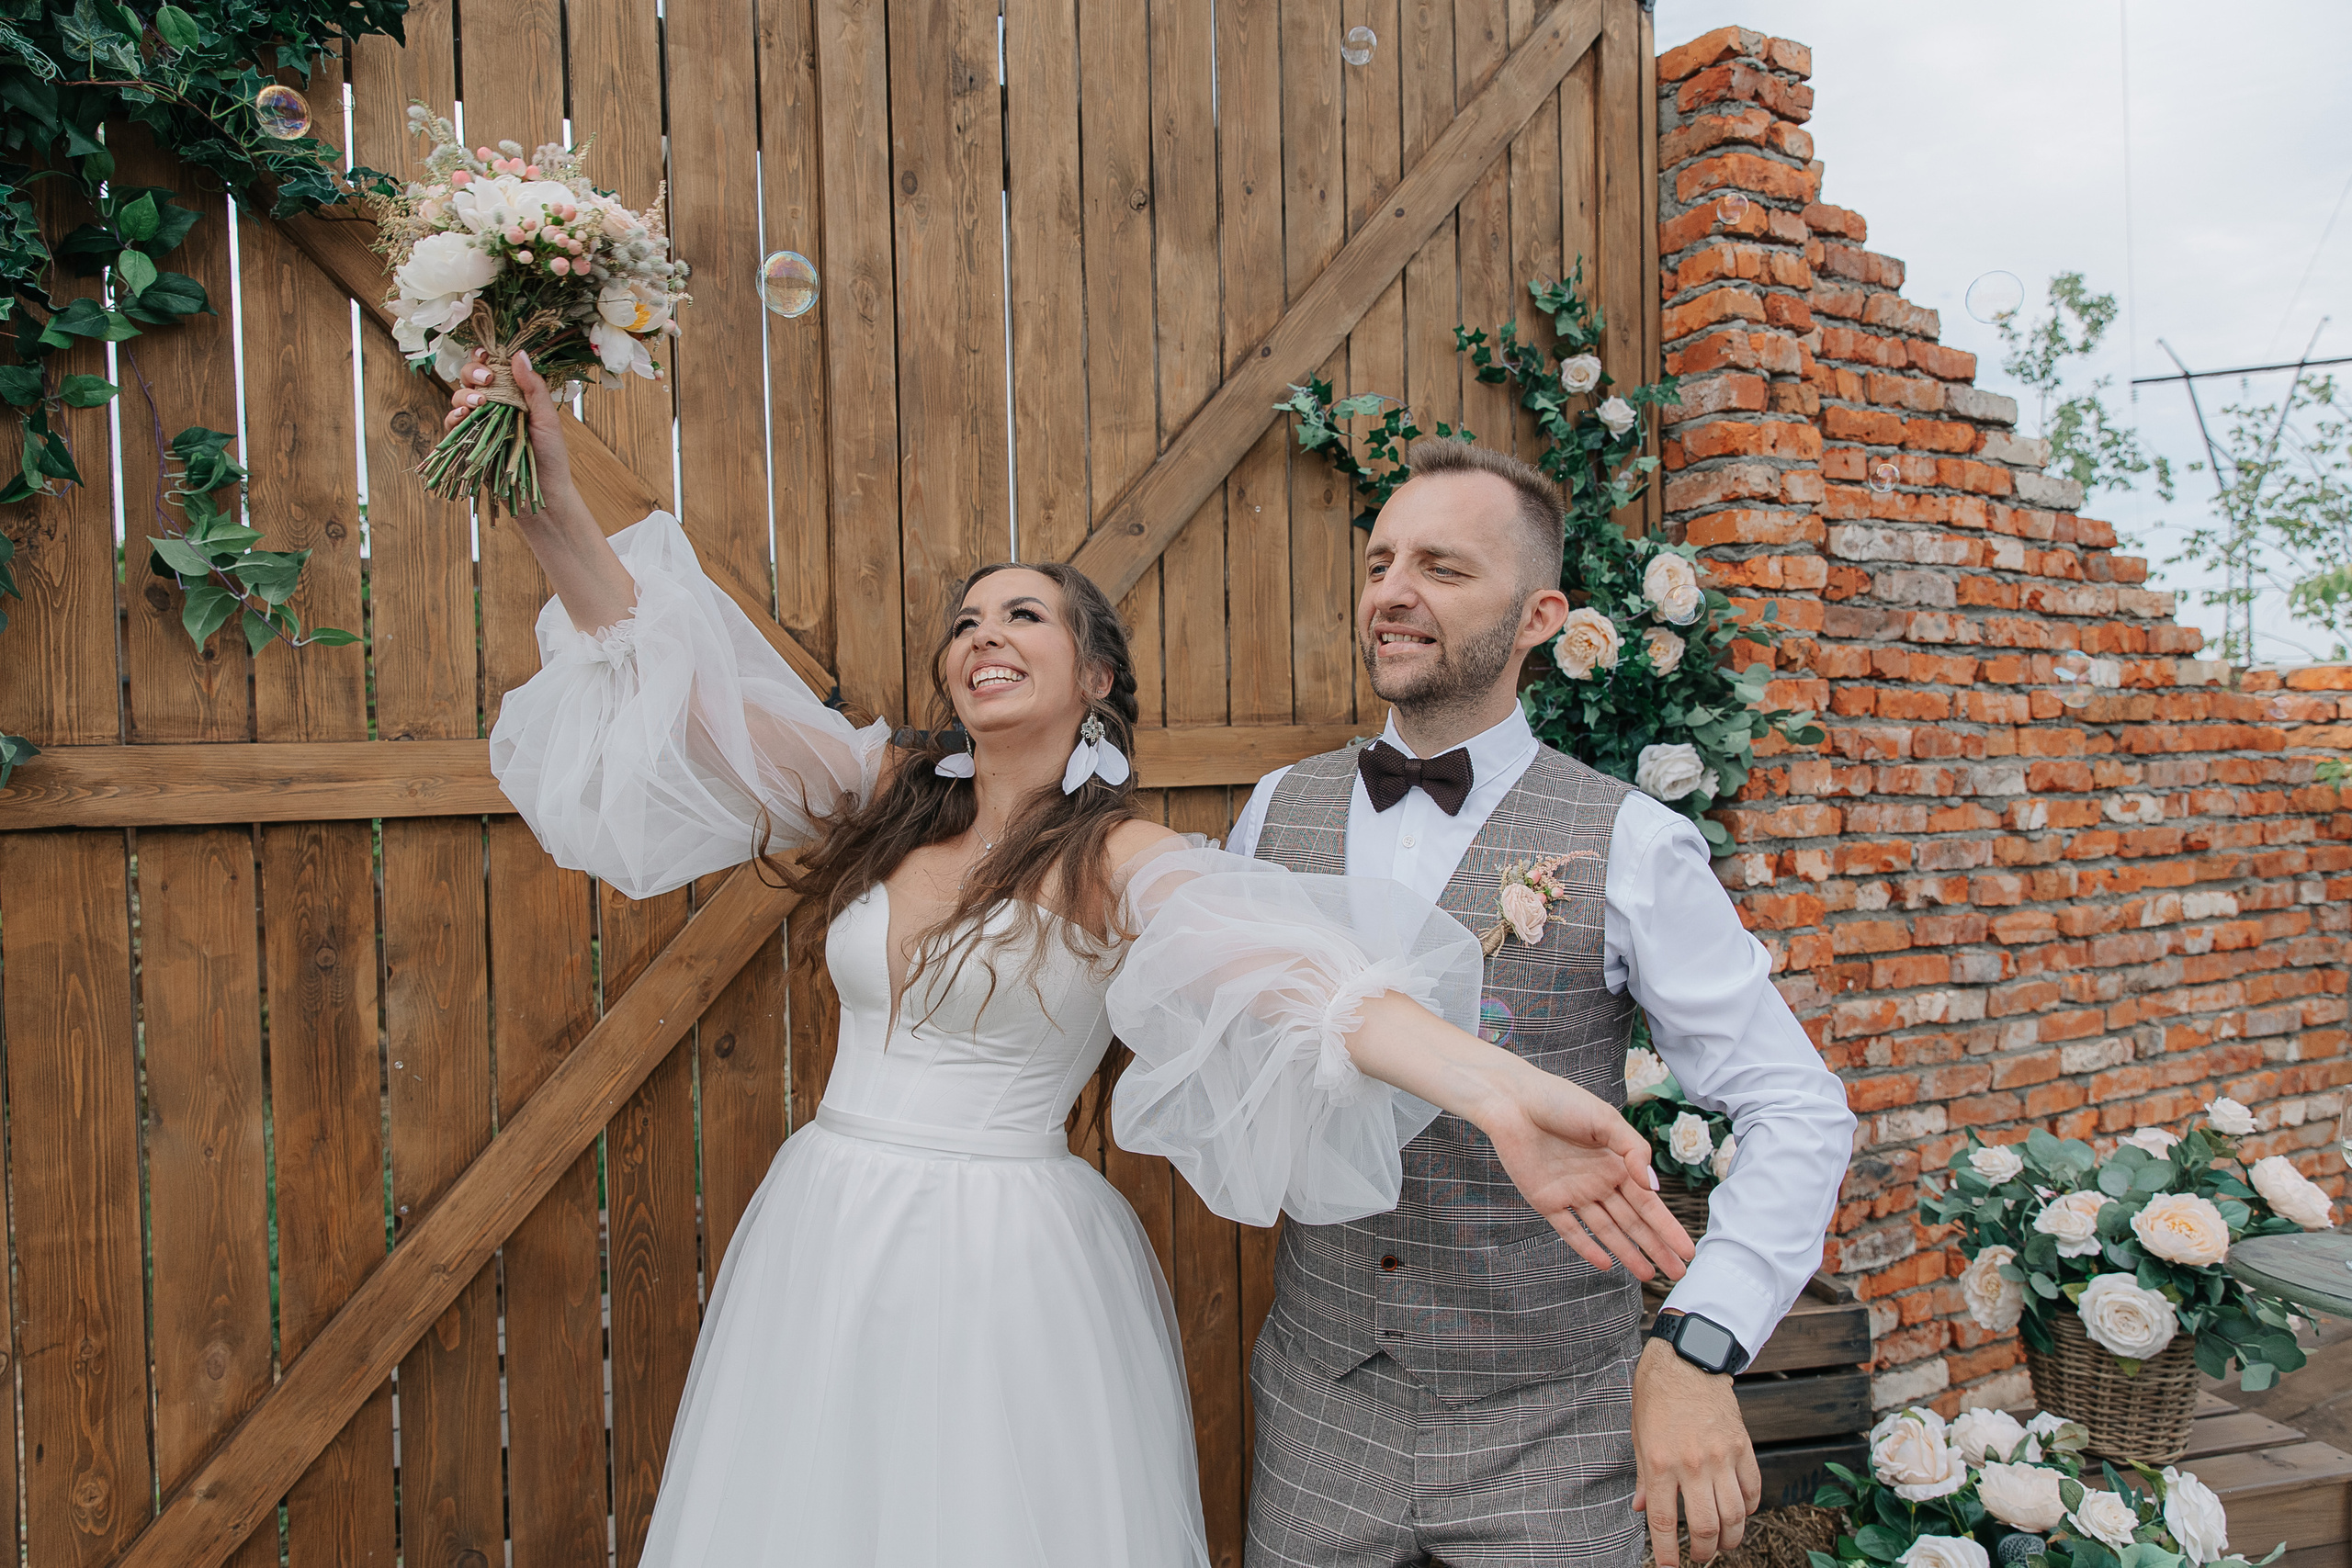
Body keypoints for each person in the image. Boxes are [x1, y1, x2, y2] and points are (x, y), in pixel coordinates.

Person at [447, 354, 1695, 1567]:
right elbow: (675, 685)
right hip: (827, 1226)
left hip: (1002, 1261)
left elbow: (1306, 980)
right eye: (968, 619)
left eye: (1024, 615)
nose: (983, 635)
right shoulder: (883, 792)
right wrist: (548, 490)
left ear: (1094, 677)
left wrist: (1494, 1086)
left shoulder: (1117, 857)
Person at [1227, 438, 1857, 1568]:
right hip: (1320, 1408)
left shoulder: (1634, 840)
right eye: (1380, 563)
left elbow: (1795, 1108)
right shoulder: (1275, 809)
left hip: (1556, 1428)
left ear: (1537, 617)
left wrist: (1697, 1347)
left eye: (1443, 568)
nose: (1392, 593)